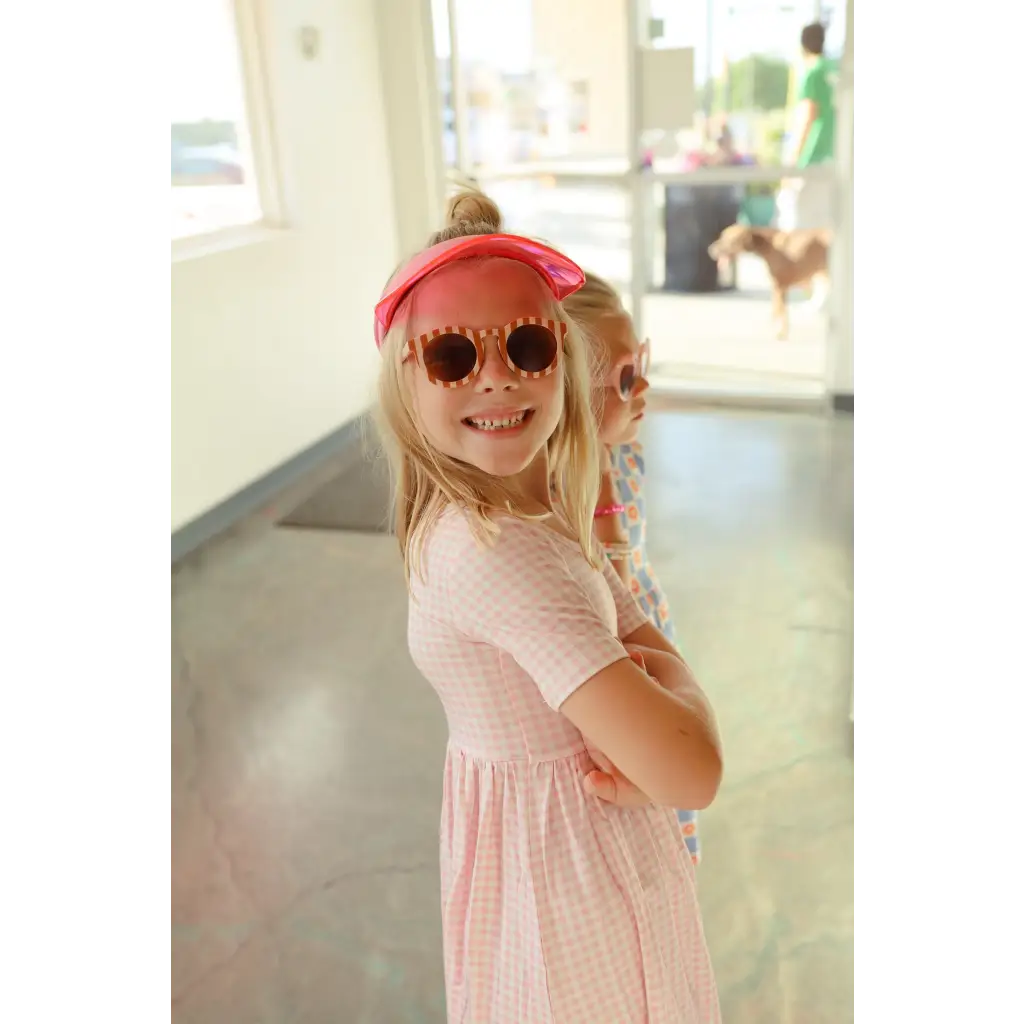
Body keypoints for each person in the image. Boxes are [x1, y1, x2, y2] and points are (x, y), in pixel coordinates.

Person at [373, 189, 723, 1022]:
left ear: (563, 362)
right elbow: (693, 769)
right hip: (572, 864)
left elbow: (623, 608)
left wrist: (650, 673)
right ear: (405, 380)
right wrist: (687, 700)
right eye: (453, 356)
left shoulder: (497, 516)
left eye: (526, 345)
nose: (494, 373)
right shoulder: (508, 559)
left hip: (543, 844)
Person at [563, 271, 702, 867]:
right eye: (625, 374)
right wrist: (592, 477)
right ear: (568, 394)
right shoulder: (556, 496)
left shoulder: (626, 454)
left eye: (640, 360)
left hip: (650, 647)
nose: (644, 383)